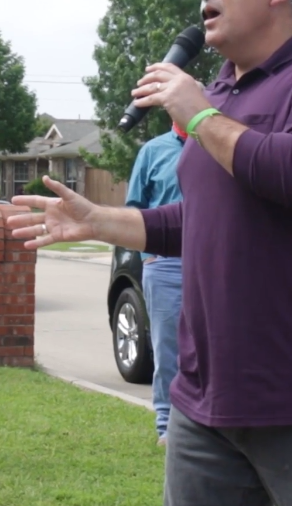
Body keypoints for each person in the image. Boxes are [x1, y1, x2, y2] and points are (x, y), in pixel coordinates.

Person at [7, 0, 292, 506]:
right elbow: (205, 220)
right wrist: (98, 220)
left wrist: (200, 114)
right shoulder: (218, 91)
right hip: (204, 404)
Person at [125, 122, 187, 446]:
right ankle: (166, 426)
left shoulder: (216, 144)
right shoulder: (153, 151)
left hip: (214, 263)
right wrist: (148, 255)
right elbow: (135, 207)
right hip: (165, 267)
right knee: (167, 349)